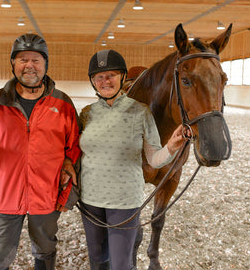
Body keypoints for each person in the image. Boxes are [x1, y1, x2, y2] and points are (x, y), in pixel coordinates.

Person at [0, 33, 80, 270]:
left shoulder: (63, 104)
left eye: (36, 60)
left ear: (45, 65)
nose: (29, 65)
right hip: (8, 197)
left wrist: (68, 176)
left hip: (46, 196)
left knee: (45, 250)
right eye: (22, 59)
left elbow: (73, 148)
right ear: (13, 64)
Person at [78, 49, 187, 270]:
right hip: (91, 200)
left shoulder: (141, 112)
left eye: (111, 75)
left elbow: (155, 159)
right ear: (93, 82)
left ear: (122, 77)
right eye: (99, 77)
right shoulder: (86, 113)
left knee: (122, 264)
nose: (105, 81)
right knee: (97, 262)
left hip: (125, 202)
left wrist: (172, 146)